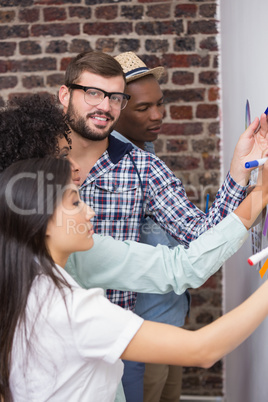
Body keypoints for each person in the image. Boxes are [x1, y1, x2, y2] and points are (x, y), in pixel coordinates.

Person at [0, 93, 265, 402]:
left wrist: (258, 193)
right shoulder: (66, 307)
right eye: (60, 158)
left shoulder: (61, 261)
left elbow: (181, 265)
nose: (74, 167)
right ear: (34, 198)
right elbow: (203, 349)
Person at [58, 50, 268, 401]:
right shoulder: (28, 157)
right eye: (93, 93)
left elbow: (199, 241)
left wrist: (240, 172)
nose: (105, 106)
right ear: (66, 95)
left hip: (117, 343)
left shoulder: (143, 168)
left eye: (115, 97)